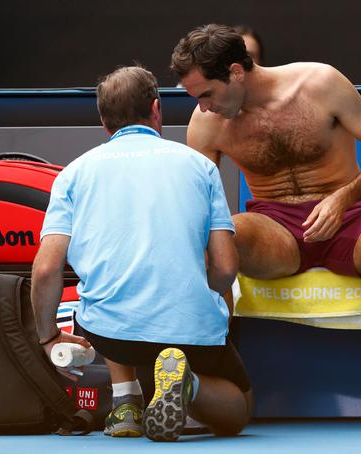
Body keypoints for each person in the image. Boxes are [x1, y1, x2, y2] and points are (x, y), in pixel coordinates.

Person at [171, 24, 361, 433]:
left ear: (236, 72)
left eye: (206, 94)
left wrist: (342, 198)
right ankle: (210, 389)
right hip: (275, 230)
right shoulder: (207, 124)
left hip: (347, 218)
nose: (202, 107)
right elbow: (196, 206)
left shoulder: (320, 83)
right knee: (216, 242)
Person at [31, 65, 252, 441]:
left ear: (104, 122)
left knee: (107, 290)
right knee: (239, 411)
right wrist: (204, 295)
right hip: (190, 329)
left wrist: (48, 336)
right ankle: (189, 384)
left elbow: (47, 268)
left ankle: (126, 402)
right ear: (156, 109)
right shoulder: (200, 167)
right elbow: (226, 267)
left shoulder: (73, 173)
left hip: (112, 335)